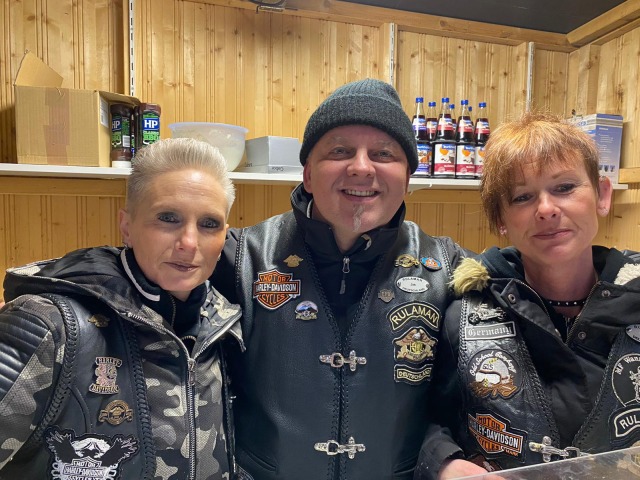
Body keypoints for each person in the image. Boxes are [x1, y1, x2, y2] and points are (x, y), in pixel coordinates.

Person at [211, 78, 468, 479]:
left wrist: (446, 460)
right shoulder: (238, 257)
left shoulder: (450, 268)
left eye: (383, 153)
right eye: (340, 151)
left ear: (407, 178)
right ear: (308, 174)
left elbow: (464, 399)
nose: (361, 167)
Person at [414, 111, 640, 479]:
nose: (546, 209)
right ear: (500, 219)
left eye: (564, 187)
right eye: (522, 197)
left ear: (602, 195)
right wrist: (444, 463)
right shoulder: (464, 315)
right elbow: (424, 418)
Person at [0, 138, 243, 479]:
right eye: (168, 218)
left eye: (209, 224)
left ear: (224, 237)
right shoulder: (47, 325)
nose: (189, 243)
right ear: (127, 227)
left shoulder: (225, 327)